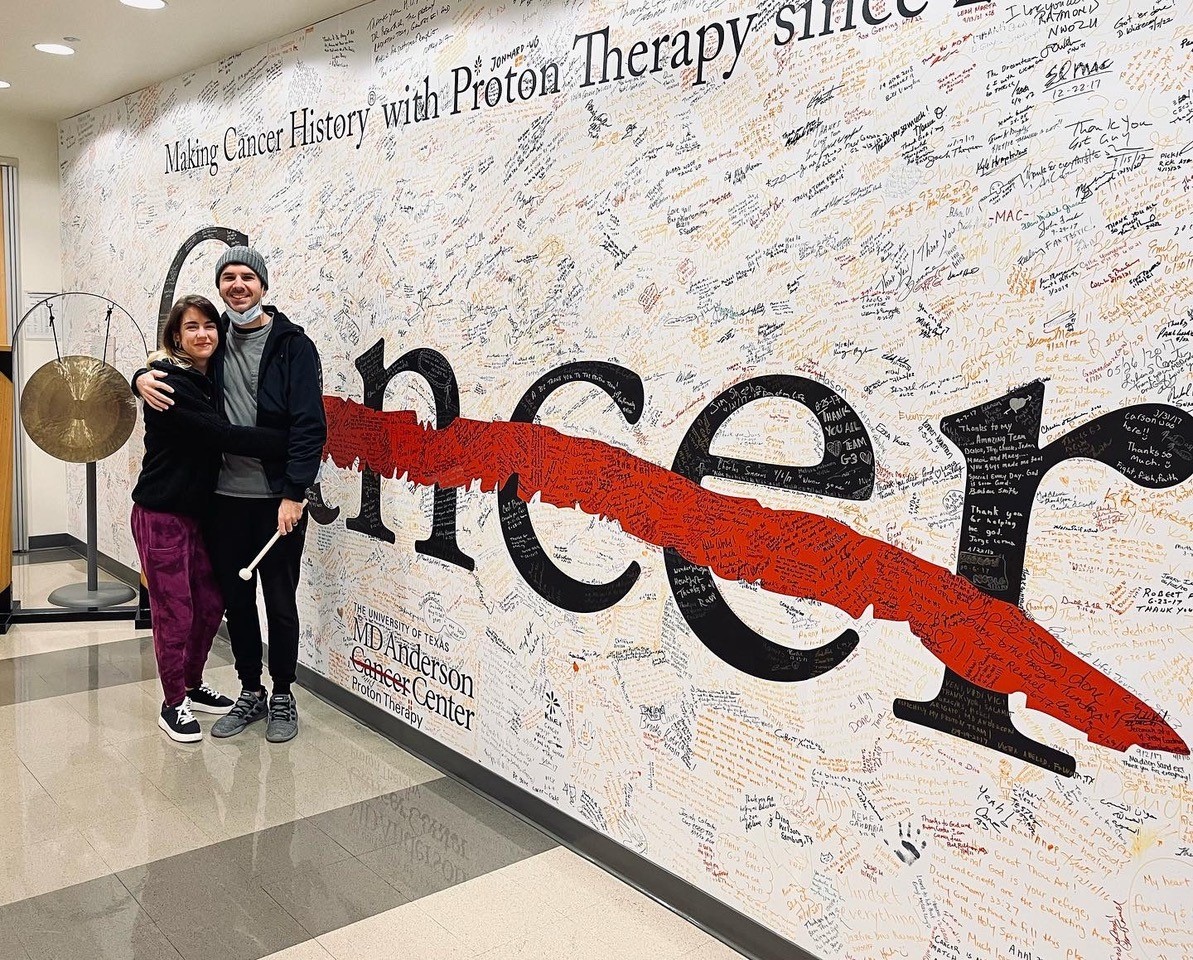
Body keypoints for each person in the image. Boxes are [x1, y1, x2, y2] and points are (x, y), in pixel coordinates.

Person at [135, 247, 326, 743]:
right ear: (220, 287)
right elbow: (172, 365)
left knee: (280, 602)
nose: (237, 285)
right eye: (228, 277)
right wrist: (139, 378)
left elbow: (309, 426)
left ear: (262, 284)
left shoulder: (292, 346)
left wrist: (294, 491)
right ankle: (250, 690)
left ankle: (282, 693)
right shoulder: (213, 339)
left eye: (246, 276)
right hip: (221, 501)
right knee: (236, 603)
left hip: (276, 499)